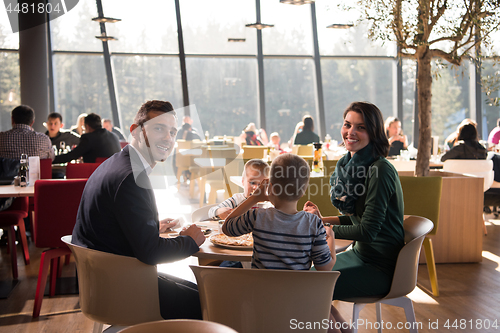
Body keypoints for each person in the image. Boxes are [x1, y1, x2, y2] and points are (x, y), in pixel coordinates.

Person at [72, 100, 206, 320]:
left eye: (172, 132)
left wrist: (152, 227)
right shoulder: (131, 178)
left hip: (104, 281)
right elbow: (150, 252)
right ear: (134, 131)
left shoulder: (115, 163)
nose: (167, 137)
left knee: (201, 292)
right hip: (122, 289)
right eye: (158, 128)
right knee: (213, 301)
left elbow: (114, 225)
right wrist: (190, 241)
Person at [223, 154, 351, 333]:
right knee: (321, 301)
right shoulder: (313, 223)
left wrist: (254, 198)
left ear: (271, 188)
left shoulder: (257, 216)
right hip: (299, 301)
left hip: (262, 300)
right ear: (304, 189)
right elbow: (325, 267)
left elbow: (227, 228)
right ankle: (347, 330)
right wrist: (330, 238)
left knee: (321, 302)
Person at [304, 101, 405, 301]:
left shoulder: (380, 170)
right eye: (347, 124)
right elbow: (358, 219)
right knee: (301, 280)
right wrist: (322, 220)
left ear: (374, 133)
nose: (351, 132)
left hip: (380, 268)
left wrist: (322, 227)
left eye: (361, 127)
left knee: (305, 286)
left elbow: (367, 230)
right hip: (359, 255)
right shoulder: (351, 166)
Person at [53, 113, 121, 164]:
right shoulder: (114, 136)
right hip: (116, 176)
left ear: (87, 126)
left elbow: (72, 156)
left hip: (95, 176)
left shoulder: (88, 138)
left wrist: (51, 160)